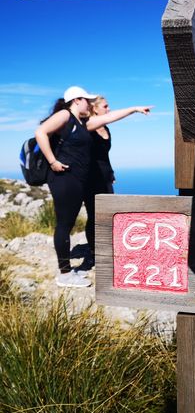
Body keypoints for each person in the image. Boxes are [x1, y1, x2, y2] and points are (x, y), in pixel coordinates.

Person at [35, 86, 151, 288]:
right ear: (77, 100)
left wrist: (133, 109)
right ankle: (64, 274)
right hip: (63, 178)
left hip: (76, 179)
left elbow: (109, 118)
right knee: (65, 224)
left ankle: (69, 269)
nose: (89, 104)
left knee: (69, 223)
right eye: (86, 100)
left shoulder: (82, 123)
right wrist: (53, 161)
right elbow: (41, 132)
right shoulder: (65, 115)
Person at [80, 96, 115, 272]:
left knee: (108, 213)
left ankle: (107, 249)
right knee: (94, 215)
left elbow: (104, 155)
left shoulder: (106, 128)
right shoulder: (88, 127)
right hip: (91, 178)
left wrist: (111, 172)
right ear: (95, 108)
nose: (108, 109)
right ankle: (94, 253)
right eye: (105, 106)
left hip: (105, 176)